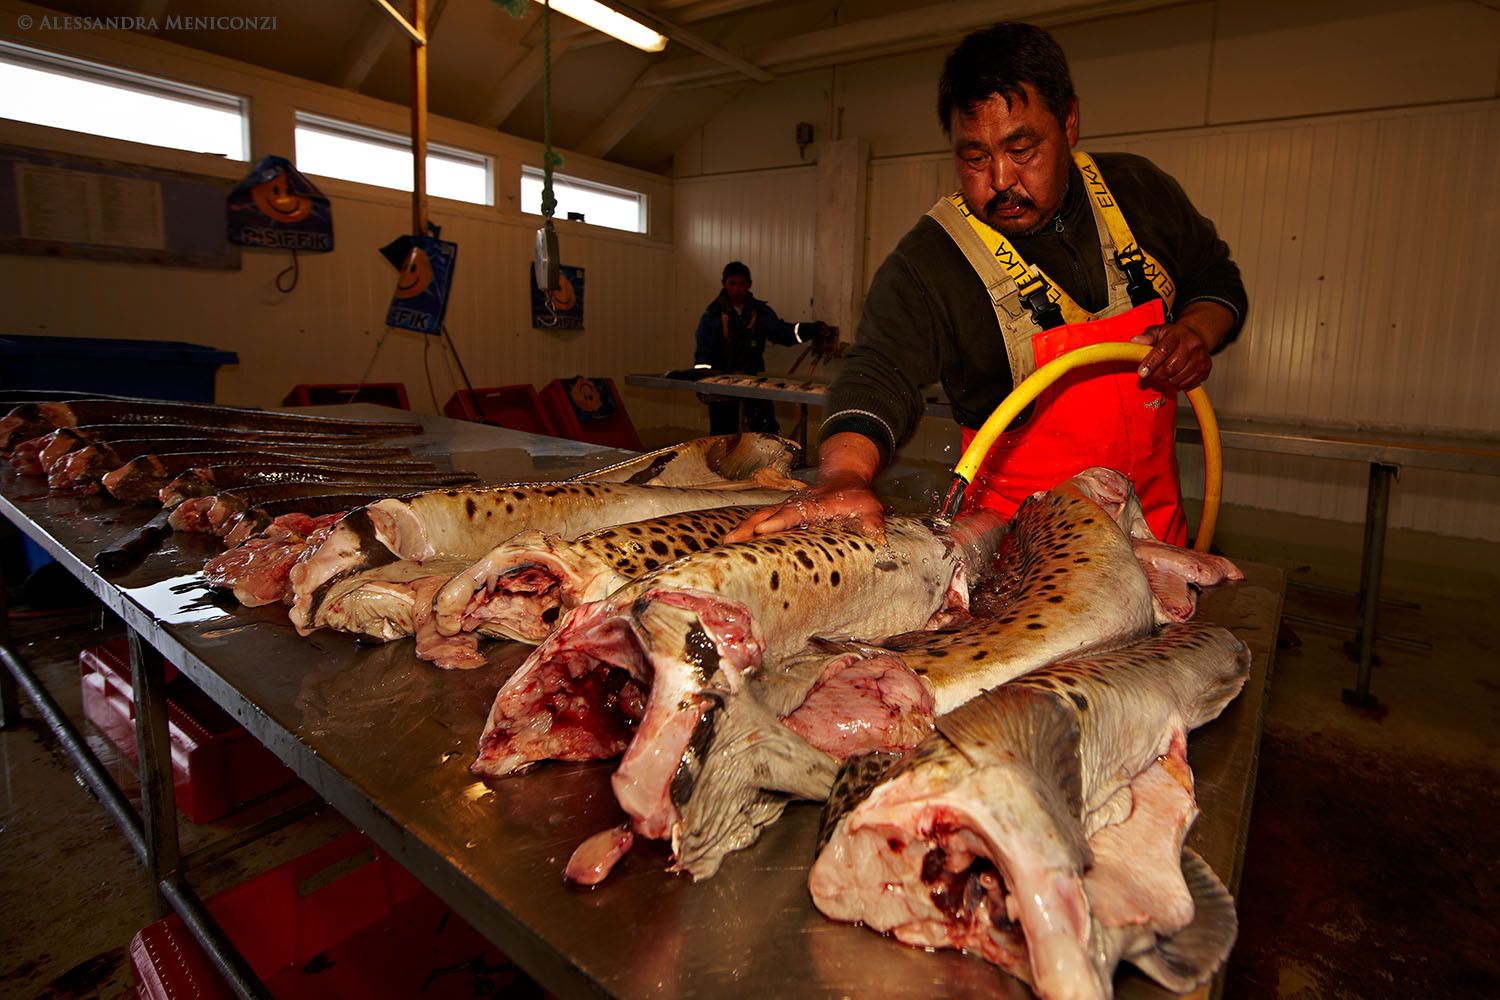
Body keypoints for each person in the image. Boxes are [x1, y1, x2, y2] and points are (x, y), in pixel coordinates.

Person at [729, 21, 1246, 547]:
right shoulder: (932, 261)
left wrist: (1195, 331)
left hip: (1157, 547)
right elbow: (879, 372)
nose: (1000, 180)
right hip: (1020, 563)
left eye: (1022, 150)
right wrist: (843, 476)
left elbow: (1215, 275)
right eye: (974, 158)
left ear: (1069, 122)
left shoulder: (1139, 192)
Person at [691, 260, 831, 435]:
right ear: (724, 284)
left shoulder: (759, 311)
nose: (736, 289)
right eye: (732, 283)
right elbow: (703, 354)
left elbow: (783, 332)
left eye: (741, 283)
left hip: (754, 385)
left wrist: (813, 329)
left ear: (749, 285)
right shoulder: (711, 315)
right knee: (723, 440)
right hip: (722, 387)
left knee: (765, 437)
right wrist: (703, 385)